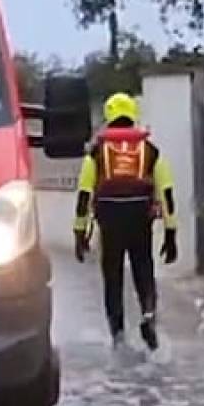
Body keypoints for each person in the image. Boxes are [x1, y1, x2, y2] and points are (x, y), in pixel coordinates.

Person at [73, 92, 178, 351]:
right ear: (133, 114)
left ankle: (118, 336)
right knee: (144, 270)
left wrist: (79, 233)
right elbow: (166, 192)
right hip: (140, 220)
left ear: (108, 115)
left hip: (109, 222)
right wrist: (170, 233)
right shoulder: (150, 150)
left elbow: (85, 194)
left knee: (113, 277)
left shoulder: (97, 153)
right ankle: (148, 316)